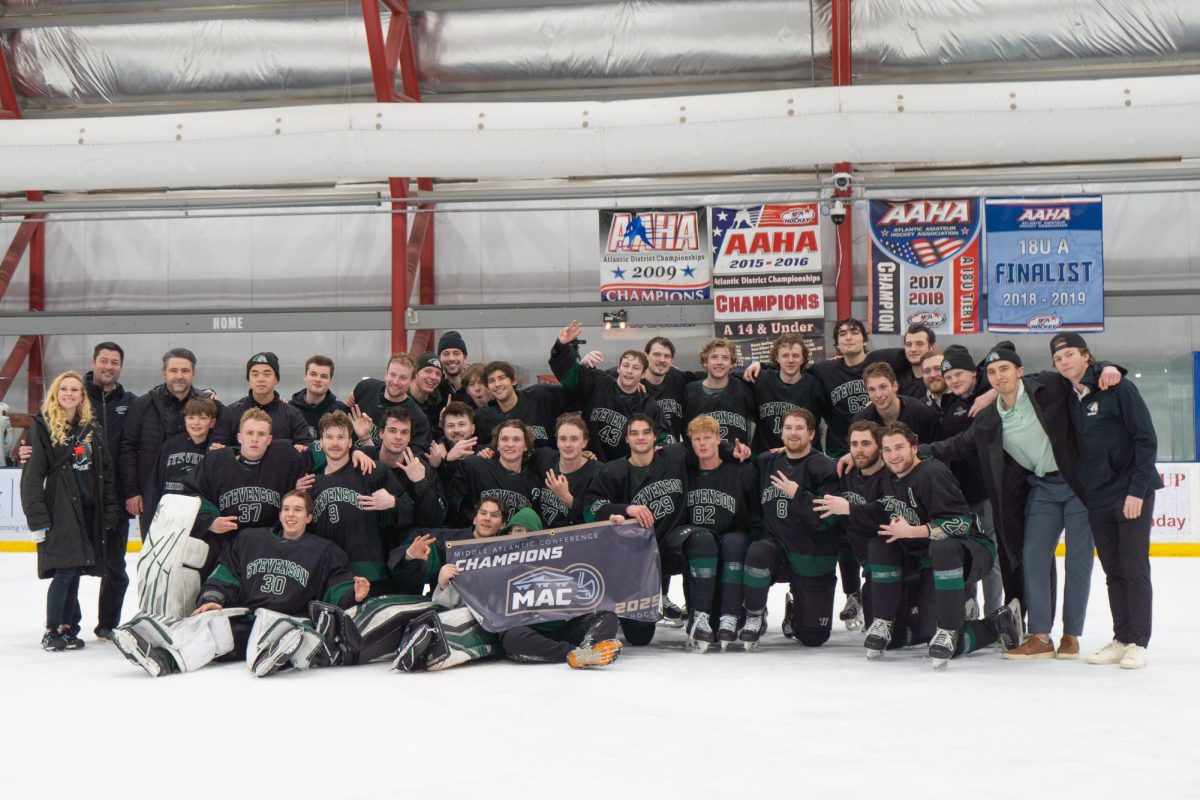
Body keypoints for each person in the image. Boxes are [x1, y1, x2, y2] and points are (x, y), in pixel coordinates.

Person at [920, 346, 1121, 661]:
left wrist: (1108, 364)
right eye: (992, 372)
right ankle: (1040, 636)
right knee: (1032, 556)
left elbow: (1076, 372)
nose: (999, 376)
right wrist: (912, 451)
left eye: (1004, 369)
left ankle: (1071, 636)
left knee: (1078, 561)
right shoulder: (988, 418)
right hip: (1043, 487)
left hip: (1077, 486)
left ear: (1019, 371)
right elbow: (957, 446)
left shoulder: (1047, 389)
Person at [816, 423, 1022, 668]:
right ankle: (884, 624)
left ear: (914, 448)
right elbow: (881, 508)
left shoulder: (932, 473)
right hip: (926, 554)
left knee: (942, 549)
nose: (894, 455)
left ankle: (992, 624)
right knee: (881, 544)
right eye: (888, 449)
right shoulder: (890, 476)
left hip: (970, 549)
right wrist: (850, 507)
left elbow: (960, 524)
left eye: (900, 447)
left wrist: (914, 531)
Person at [110, 489, 371, 677]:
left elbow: (336, 586)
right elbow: (227, 574)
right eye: (286, 509)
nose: (291, 515)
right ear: (280, 513)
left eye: (298, 510)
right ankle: (163, 659)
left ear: (309, 517)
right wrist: (213, 599)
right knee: (214, 631)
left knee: (275, 627)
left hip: (289, 619)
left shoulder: (325, 551)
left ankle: (275, 651)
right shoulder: (251, 540)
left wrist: (353, 594)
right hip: (249, 617)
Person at [1051, 333, 1161, 669]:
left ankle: (1139, 642)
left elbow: (1146, 439)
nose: (1064, 362)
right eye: (1058, 359)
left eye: (1070, 354)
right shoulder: (1070, 397)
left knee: (1134, 566)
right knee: (1113, 571)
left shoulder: (1117, 387)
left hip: (1130, 491)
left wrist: (1137, 491)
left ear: (1086, 357)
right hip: (1098, 497)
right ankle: (1122, 637)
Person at [20, 371, 121, 651]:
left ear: (81, 395)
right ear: (55, 393)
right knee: (65, 570)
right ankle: (52, 629)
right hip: (60, 510)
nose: (69, 393)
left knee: (74, 570)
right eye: (63, 389)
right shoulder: (42, 426)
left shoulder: (91, 428)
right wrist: (38, 517)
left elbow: (106, 473)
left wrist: (109, 510)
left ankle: (67, 627)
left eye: (74, 390)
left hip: (89, 510)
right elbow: (32, 476)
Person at [739, 408, 840, 651]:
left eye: (799, 428)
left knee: (814, 637)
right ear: (781, 433)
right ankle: (754, 613)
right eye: (788, 428)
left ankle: (795, 610)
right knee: (757, 551)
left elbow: (826, 519)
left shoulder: (825, 467)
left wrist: (798, 494)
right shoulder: (767, 461)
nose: (793, 433)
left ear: (812, 433)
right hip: (776, 548)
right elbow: (738, 459)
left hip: (811, 554)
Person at [186, 408, 308, 576]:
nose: (254, 439)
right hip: (224, 550)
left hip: (269, 551)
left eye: (261, 434)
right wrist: (210, 521)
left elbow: (325, 452)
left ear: (269, 439)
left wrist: (298, 491)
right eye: (249, 433)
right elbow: (191, 494)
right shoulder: (215, 462)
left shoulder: (286, 458)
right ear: (239, 437)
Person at [120, 347, 220, 535]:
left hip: (199, 497)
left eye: (185, 371)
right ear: (164, 372)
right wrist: (132, 491)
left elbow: (232, 427)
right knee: (157, 557)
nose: (179, 376)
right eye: (173, 370)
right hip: (154, 495)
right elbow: (128, 450)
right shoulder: (142, 405)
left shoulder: (208, 403)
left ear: (194, 373)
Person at [684, 415, 760, 650]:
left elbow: (754, 510)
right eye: (697, 439)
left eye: (707, 437)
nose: (702, 444)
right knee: (702, 542)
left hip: (732, 538)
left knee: (733, 544)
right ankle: (698, 615)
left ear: (719, 439)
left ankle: (733, 614)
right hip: (700, 544)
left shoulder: (741, 471)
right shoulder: (684, 472)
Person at [305, 411, 401, 594]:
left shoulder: (373, 470)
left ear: (350, 442)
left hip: (371, 573)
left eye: (341, 437)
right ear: (321, 443)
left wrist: (394, 503)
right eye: (329, 437)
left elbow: (410, 509)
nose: (335, 443)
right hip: (328, 575)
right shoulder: (311, 485)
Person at [549, 320, 670, 460]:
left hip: (623, 472)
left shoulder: (648, 405)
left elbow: (664, 439)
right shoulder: (598, 382)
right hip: (588, 464)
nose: (629, 371)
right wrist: (561, 345)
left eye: (635, 368)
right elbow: (567, 374)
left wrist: (658, 453)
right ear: (618, 368)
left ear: (643, 375)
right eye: (626, 365)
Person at [84, 342, 137, 639]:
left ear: (121, 367)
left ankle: (108, 625)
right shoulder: (74, 395)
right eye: (103, 360)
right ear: (93, 361)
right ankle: (67, 622)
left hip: (115, 499)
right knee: (73, 566)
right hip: (80, 496)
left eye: (114, 362)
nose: (108, 366)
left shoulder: (130, 401)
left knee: (116, 567)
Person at [212, 352, 312, 449]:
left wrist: (300, 449)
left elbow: (305, 446)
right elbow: (217, 447)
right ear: (248, 379)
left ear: (276, 379)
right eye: (255, 374)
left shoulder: (292, 415)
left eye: (267, 374)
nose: (260, 379)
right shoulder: (231, 412)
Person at [449, 418, 538, 524]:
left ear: (526, 446)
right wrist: (449, 461)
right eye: (504, 439)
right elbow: (451, 501)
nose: (510, 444)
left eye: (516, 439)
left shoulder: (533, 483)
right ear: (497, 445)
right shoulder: (475, 466)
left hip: (514, 539)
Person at [749, 333, 827, 453]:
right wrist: (760, 364)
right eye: (785, 355)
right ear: (777, 358)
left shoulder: (814, 385)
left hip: (802, 458)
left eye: (795, 356)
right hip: (765, 458)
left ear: (803, 359)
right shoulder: (761, 379)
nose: (790, 360)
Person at [347, 352, 433, 453]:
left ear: (412, 381)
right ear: (386, 374)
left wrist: (366, 439)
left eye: (403, 377)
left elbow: (414, 459)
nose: (396, 381)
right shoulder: (365, 388)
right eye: (393, 375)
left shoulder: (418, 418)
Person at [528, 413, 601, 528]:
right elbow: (516, 453)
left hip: (576, 538)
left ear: (584, 442)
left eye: (574, 439)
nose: (567, 444)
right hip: (542, 538)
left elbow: (597, 517)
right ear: (557, 441)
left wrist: (566, 497)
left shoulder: (598, 472)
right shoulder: (544, 457)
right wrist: (491, 449)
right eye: (563, 439)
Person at [473, 360, 565, 450]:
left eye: (501, 378)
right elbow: (479, 448)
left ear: (513, 380)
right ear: (488, 388)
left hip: (548, 463)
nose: (497, 384)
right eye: (491, 381)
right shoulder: (482, 417)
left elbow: (574, 396)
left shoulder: (540, 395)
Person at [683, 338, 755, 447]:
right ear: (705, 362)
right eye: (714, 357)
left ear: (731, 364)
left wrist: (761, 364)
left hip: (737, 461)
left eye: (725, 358)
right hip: (702, 461)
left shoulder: (743, 387)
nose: (719, 362)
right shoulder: (690, 391)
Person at [852, 362, 941, 444]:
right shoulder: (861, 421)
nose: (878, 395)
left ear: (895, 386)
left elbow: (935, 452)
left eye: (883, 387)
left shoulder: (922, 413)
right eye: (872, 389)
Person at [152, 397, 218, 505]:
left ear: (212, 422)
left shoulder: (215, 449)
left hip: (201, 511)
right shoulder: (169, 445)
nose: (196, 423)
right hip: (170, 509)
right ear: (184, 419)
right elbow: (155, 483)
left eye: (202, 418)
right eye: (191, 417)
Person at [289, 355, 349, 439]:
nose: (318, 380)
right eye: (313, 374)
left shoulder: (342, 410)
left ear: (330, 380)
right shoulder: (289, 409)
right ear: (305, 376)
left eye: (324, 376)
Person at [409, 352, 448, 439]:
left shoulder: (439, 404)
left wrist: (442, 424)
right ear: (415, 373)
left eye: (438, 374)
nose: (433, 377)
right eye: (428, 371)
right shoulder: (400, 399)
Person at [899, 323, 938, 399]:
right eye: (909, 344)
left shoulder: (942, 379)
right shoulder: (898, 379)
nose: (913, 349)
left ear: (932, 348)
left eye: (919, 344)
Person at [436, 330, 471, 403]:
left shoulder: (475, 389)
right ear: (439, 358)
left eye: (456, 353)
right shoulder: (435, 390)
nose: (451, 358)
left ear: (465, 358)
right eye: (446, 354)